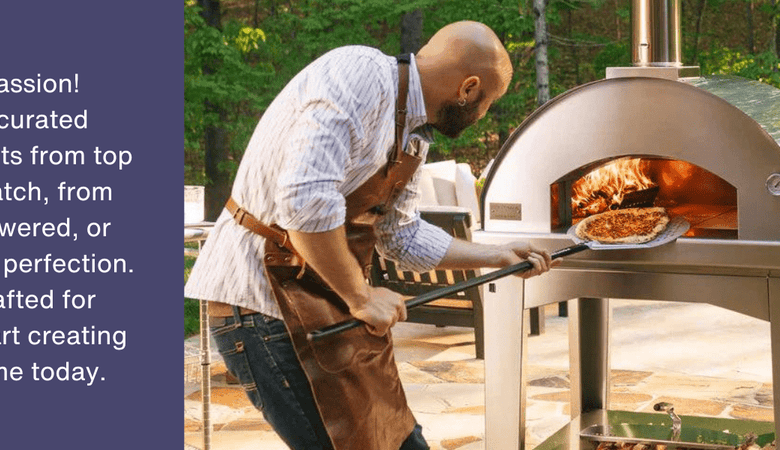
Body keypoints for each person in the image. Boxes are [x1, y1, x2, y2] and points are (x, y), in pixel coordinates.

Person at [184, 21, 557, 450]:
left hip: (327, 304)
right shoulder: (360, 74)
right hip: (261, 307)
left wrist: (498, 256)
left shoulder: (413, 138)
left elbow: (401, 236)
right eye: (489, 102)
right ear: (468, 88)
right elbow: (304, 199)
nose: (483, 115)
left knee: (402, 442)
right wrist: (361, 296)